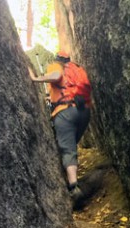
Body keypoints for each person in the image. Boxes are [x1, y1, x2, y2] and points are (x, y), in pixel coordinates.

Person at [29, 51, 91, 202]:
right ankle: (70, 170)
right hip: (84, 112)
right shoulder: (77, 69)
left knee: (67, 149)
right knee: (70, 145)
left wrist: (36, 79)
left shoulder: (56, 66)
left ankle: (73, 186)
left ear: (57, 59)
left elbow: (56, 76)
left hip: (65, 112)